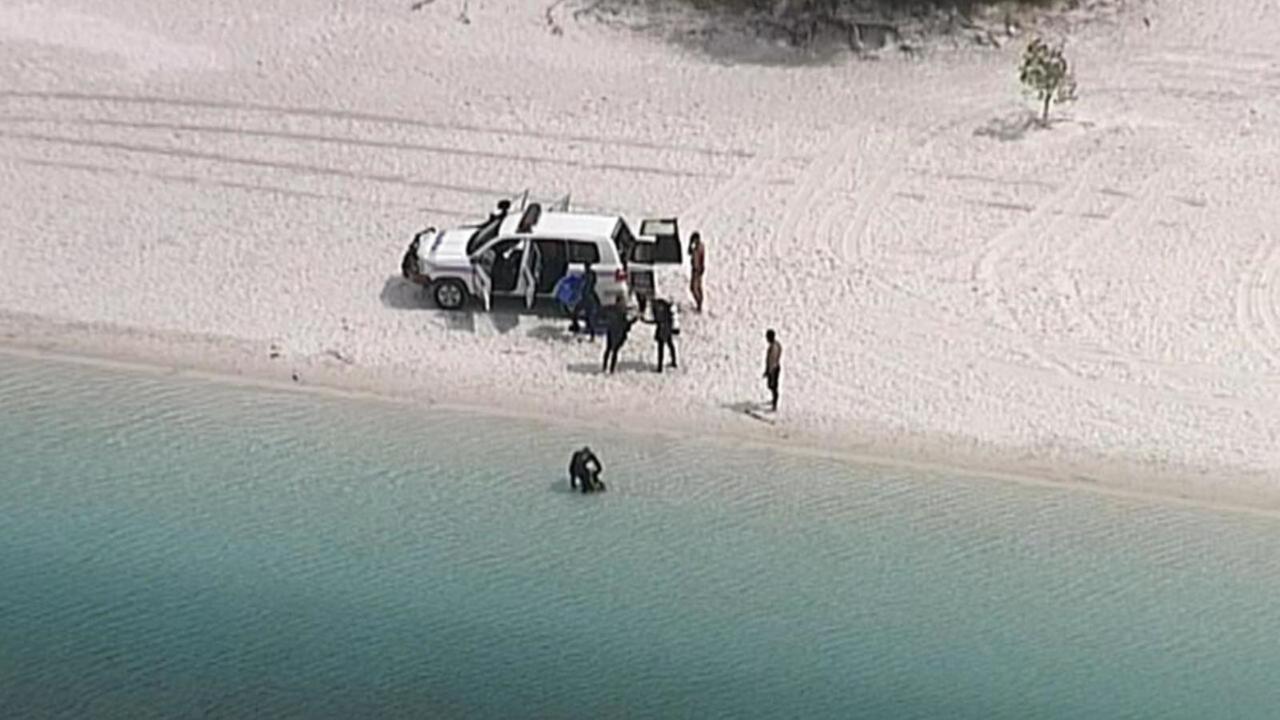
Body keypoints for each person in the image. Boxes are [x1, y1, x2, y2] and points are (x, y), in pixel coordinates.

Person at [602, 296, 636, 374]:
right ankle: (611, 368)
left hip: (611, 332)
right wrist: (633, 320)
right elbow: (626, 324)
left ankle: (606, 367)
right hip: (617, 333)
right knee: (614, 351)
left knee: (609, 349)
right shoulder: (621, 313)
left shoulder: (612, 310)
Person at [645, 298, 678, 372]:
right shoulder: (665, 305)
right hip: (667, 327)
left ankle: (660, 367)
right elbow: (671, 316)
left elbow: (656, 320)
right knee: (670, 344)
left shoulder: (656, 307)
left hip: (661, 328)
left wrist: (645, 320)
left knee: (661, 347)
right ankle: (674, 361)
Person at [578, 261, 601, 339]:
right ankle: (589, 331)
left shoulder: (588, 275)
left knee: (589, 316)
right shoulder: (590, 274)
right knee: (588, 316)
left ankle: (591, 333)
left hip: (587, 297)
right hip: (588, 296)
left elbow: (586, 286)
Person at [763, 329, 782, 412]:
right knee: (771, 386)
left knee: (773, 386)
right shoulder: (775, 345)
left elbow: (772, 360)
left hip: (773, 369)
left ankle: (775, 404)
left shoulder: (774, 347)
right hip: (773, 368)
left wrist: (769, 371)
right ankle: (774, 400)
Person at [688, 231, 706, 313]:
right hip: (694, 269)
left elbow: (701, 258)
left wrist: (701, 267)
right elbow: (689, 253)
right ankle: (699, 303)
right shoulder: (695, 247)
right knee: (696, 287)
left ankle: (699, 303)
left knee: (694, 288)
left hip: (697, 270)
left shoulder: (699, 247)